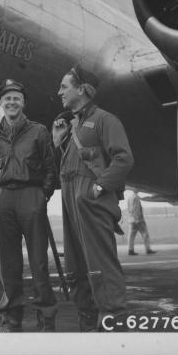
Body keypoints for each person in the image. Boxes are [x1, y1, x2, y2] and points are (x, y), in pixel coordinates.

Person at [53, 65, 134, 331]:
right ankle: (88, 323)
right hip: (71, 202)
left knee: (101, 265)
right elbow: (67, 167)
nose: (59, 92)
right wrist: (57, 143)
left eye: (64, 86)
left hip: (91, 202)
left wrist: (98, 188)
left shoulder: (105, 120)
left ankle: (113, 322)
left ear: (81, 89)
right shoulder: (72, 125)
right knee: (75, 267)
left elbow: (124, 159)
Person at [0, 79, 58, 332]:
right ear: (1, 103)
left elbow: (50, 168)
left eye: (16, 98)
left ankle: (46, 317)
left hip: (31, 196)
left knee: (38, 262)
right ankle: (11, 318)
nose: (12, 102)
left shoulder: (39, 131)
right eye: (7, 99)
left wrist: (42, 195)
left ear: (23, 102)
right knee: (8, 263)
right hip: (3, 200)